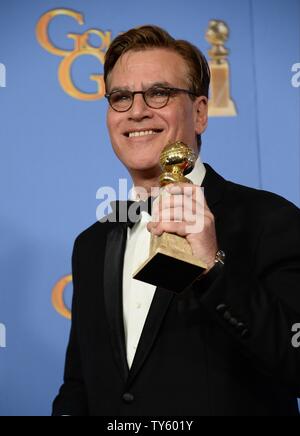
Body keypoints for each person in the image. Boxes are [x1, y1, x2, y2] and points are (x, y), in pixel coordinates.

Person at [52, 25, 300, 416]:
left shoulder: (271, 220)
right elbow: (80, 385)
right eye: (120, 97)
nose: (136, 111)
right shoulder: (92, 244)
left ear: (200, 112)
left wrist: (213, 270)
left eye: (159, 93)